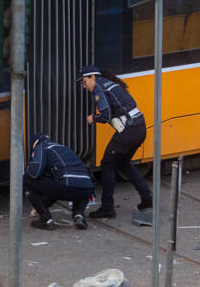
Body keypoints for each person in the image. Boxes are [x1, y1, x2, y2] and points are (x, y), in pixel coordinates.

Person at [77, 65, 153, 219]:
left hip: (128, 132)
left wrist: (93, 118)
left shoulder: (99, 89)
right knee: (123, 163)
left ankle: (107, 208)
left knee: (107, 164)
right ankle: (146, 197)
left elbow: (105, 115)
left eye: (85, 82)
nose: (84, 87)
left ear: (93, 77)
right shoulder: (111, 84)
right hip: (139, 128)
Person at [24, 133, 95, 230]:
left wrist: (28, 167)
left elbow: (35, 172)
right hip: (87, 188)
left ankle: (46, 219)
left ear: (35, 144)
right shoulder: (64, 148)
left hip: (66, 185)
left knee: (26, 179)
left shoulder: (42, 147)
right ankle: (79, 215)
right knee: (78, 183)